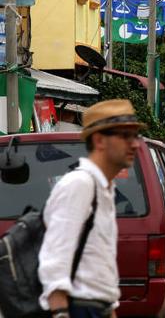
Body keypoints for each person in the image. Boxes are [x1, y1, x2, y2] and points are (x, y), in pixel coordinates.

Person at [39, 99, 145, 318]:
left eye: (135, 136)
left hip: (98, 307)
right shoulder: (79, 184)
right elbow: (55, 259)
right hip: (77, 308)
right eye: (125, 136)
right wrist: (60, 312)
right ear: (99, 140)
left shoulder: (103, 189)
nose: (134, 144)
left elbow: (99, 266)